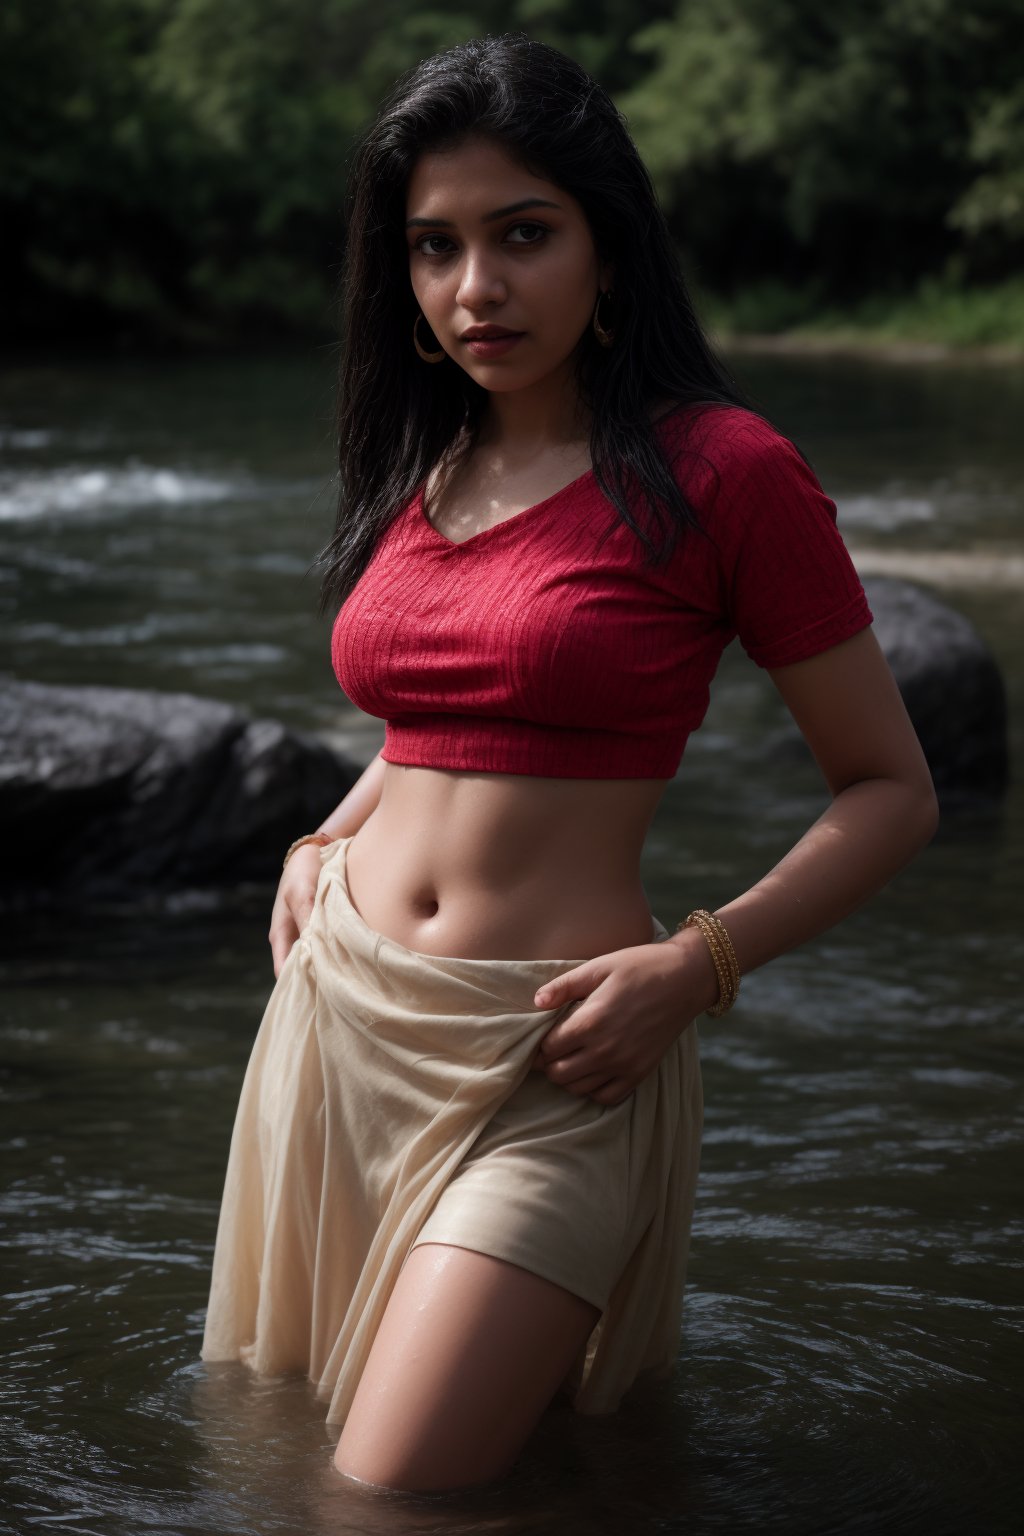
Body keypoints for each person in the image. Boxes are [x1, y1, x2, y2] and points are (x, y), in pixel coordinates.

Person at [200, 34, 939, 1495]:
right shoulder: (426, 463)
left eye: (523, 235)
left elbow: (892, 791)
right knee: (279, 1451)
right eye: (434, 247)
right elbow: (433, 726)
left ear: (611, 246)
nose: (476, 288)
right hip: (342, 1017)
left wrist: (698, 965)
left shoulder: (726, 472)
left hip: (558, 1058)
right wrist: (318, 837)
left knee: (392, 1488)